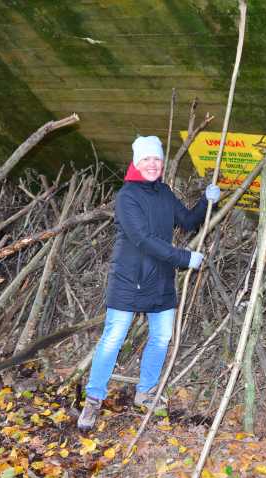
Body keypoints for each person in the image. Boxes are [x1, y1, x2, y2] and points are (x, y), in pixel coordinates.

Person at [77, 135, 220, 431]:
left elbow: (189, 221)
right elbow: (142, 239)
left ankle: (146, 391)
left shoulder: (165, 192)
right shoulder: (127, 197)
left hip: (160, 279)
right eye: (146, 160)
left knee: (161, 338)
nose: (153, 164)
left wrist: (207, 201)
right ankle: (93, 399)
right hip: (129, 279)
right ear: (136, 162)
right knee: (113, 338)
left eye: (157, 159)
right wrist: (184, 257)